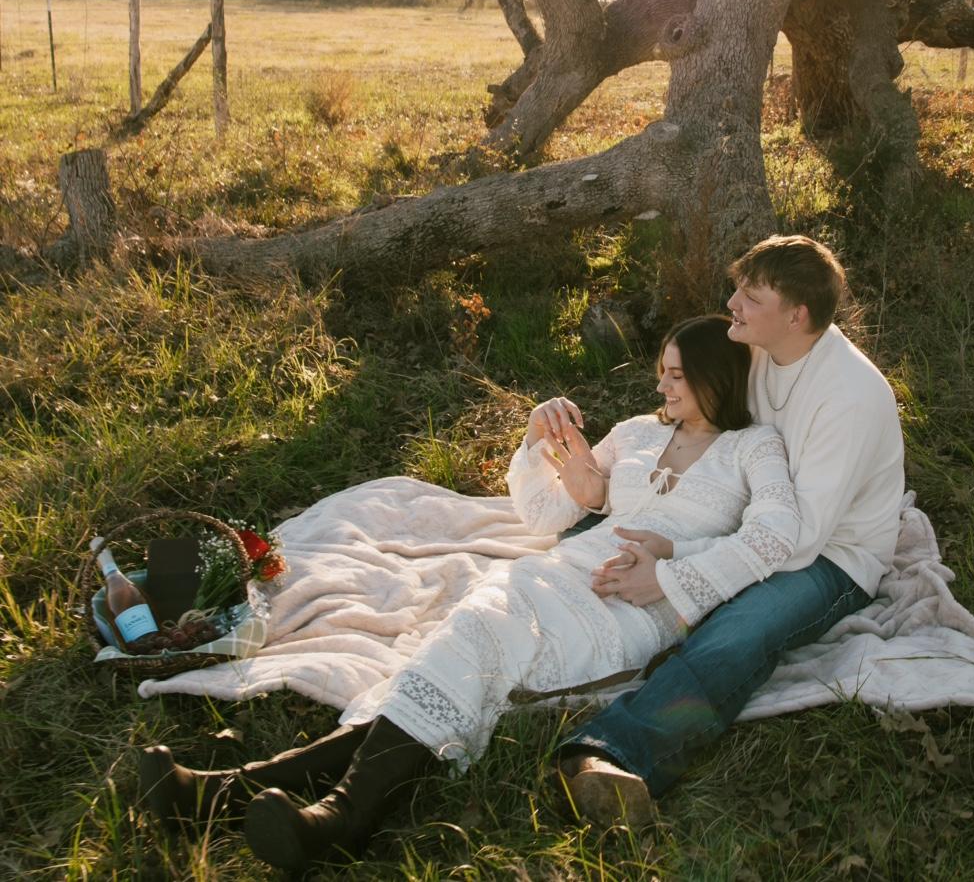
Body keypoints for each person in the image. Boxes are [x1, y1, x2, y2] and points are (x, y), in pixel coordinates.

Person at [138, 314, 799, 868]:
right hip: (559, 569)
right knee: (469, 636)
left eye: (676, 374)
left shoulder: (755, 448)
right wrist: (539, 446)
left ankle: (320, 814)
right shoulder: (636, 433)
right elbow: (545, 515)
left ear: (716, 376)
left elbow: (777, 536)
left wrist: (672, 562)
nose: (661, 384)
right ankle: (244, 797)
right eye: (662, 370)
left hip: (633, 608)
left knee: (474, 638)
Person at [547, 234, 904, 822]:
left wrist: (677, 561)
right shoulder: (755, 348)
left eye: (751, 296)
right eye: (738, 288)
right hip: (747, 513)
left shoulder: (850, 397)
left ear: (797, 315)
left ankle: (612, 753)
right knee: (594, 537)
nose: (732, 303)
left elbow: (801, 541)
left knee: (741, 630)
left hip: (829, 554)